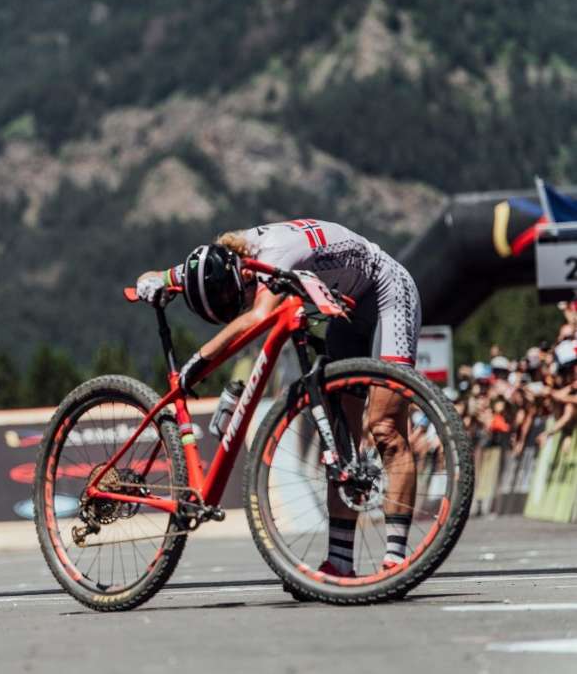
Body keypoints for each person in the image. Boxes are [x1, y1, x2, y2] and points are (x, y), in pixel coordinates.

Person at [137, 218, 421, 577]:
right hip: (346, 312)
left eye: (235, 299)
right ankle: (340, 563)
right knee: (343, 444)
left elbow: (259, 316)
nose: (238, 304)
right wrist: (151, 282)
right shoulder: (217, 261)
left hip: (387, 293)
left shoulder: (276, 251)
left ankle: (396, 559)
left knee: (385, 430)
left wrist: (198, 361)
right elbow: (160, 276)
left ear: (238, 274)